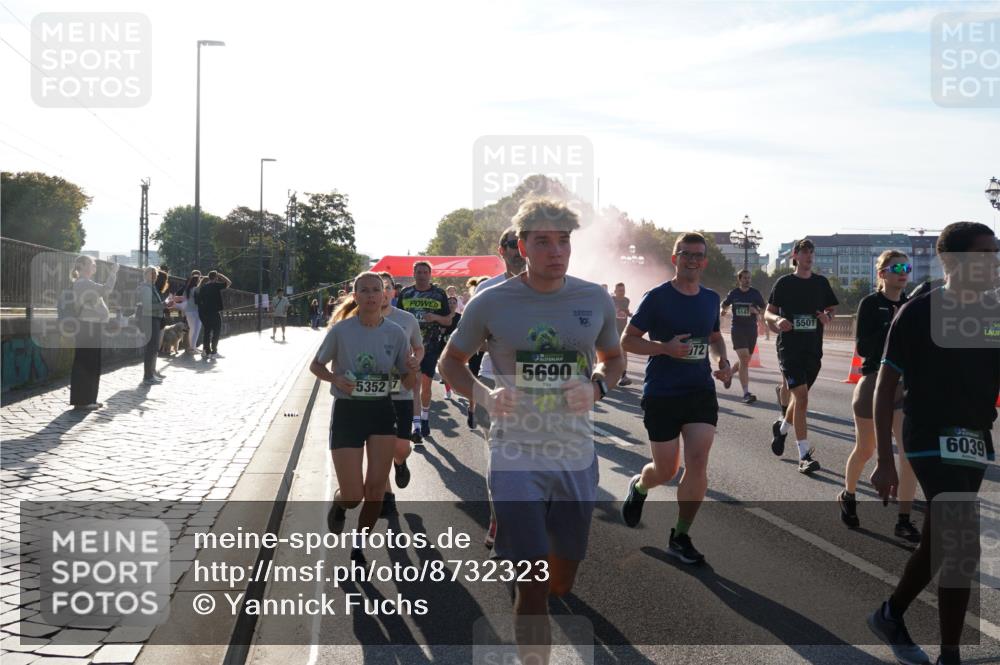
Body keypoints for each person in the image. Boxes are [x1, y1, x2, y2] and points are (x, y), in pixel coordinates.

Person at [439, 198, 625, 665]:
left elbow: (615, 357)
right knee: (533, 580)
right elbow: (450, 364)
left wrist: (599, 386)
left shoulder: (593, 298)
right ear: (522, 247)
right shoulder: (491, 302)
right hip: (514, 454)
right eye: (542, 241)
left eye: (563, 241)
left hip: (575, 455)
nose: (555, 251)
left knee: (561, 580)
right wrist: (485, 396)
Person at [868, 222, 999, 665]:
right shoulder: (919, 313)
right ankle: (950, 655)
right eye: (985, 253)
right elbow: (884, 390)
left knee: (940, 541)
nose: (994, 261)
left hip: (975, 439)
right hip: (927, 437)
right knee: (962, 539)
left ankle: (891, 614)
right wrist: (885, 461)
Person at [619, 232, 733, 564]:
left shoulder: (711, 299)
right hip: (662, 392)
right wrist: (664, 348)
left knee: (698, 462)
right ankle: (641, 485)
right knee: (667, 470)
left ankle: (680, 535)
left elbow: (714, 337)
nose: (693, 260)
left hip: (699, 390)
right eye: (687, 255)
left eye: (699, 256)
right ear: (675, 258)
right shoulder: (656, 298)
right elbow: (628, 340)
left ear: (705, 261)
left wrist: (722, 362)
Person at [309, 272, 416, 563]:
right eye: (364, 290)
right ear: (355, 296)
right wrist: (334, 378)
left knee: (376, 491)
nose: (370, 295)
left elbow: (407, 382)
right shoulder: (341, 331)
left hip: (381, 411)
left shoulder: (395, 332)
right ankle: (340, 504)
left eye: (376, 290)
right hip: (348, 412)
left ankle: (358, 545)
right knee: (354, 494)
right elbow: (316, 366)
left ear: (385, 296)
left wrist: (411, 369)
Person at [838, 251, 921, 541]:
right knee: (866, 450)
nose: (904, 272)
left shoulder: (912, 304)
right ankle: (848, 495)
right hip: (873, 383)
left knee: (908, 455)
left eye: (907, 268)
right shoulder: (871, 304)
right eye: (897, 267)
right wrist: (894, 324)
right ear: (882, 273)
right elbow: (863, 348)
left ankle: (904, 519)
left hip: (903, 387)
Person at [765, 238, 838, 474]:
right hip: (789, 349)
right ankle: (804, 456)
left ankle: (782, 429)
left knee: (798, 400)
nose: (809, 256)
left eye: (811, 253)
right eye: (804, 252)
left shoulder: (821, 283)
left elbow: (831, 310)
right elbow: (768, 313)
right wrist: (778, 320)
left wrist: (827, 317)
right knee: (802, 398)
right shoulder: (784, 283)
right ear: (795, 256)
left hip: (813, 349)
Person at [377, 272, 424, 517]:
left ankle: (400, 462)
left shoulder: (406, 320)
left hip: (401, 393)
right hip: (372, 396)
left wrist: (415, 361)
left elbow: (418, 347)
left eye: (386, 287)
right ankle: (387, 496)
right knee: (377, 447)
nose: (382, 292)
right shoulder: (358, 319)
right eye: (377, 287)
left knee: (401, 447)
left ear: (393, 292)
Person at [397, 261, 453, 443]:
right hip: (410, 347)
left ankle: (425, 417)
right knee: (414, 385)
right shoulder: (406, 293)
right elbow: (397, 320)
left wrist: (435, 317)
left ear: (430, 274)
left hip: (430, 347)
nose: (421, 275)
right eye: (418, 272)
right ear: (413, 274)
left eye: (424, 272)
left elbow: (447, 321)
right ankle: (417, 426)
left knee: (426, 387)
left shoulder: (439, 294)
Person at [69, 255, 119, 410]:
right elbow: (106, 289)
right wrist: (114, 272)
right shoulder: (84, 283)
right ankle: (84, 400)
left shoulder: (85, 283)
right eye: (92, 264)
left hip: (91, 327)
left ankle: (88, 399)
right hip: (88, 327)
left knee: (91, 362)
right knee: (88, 363)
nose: (95, 267)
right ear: (83, 266)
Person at [720, 269, 767, 403]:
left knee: (745, 361)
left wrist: (756, 310)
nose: (747, 280)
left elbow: (764, 309)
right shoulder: (734, 293)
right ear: (739, 280)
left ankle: (728, 374)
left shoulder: (755, 293)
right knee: (744, 358)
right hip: (738, 329)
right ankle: (746, 394)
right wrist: (723, 311)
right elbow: (724, 305)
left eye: (749, 278)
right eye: (744, 278)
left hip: (751, 330)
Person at [136, 267, 167, 384]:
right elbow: (148, 307)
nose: (154, 275)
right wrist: (163, 305)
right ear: (145, 274)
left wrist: (164, 305)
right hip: (150, 319)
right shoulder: (146, 288)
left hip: (155, 319)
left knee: (153, 348)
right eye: (151, 273)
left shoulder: (151, 287)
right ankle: (147, 376)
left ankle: (150, 374)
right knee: (151, 348)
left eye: (155, 274)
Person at [197, 270, 231, 359]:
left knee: (207, 331)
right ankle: (214, 352)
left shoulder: (203, 287)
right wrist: (221, 275)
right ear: (216, 278)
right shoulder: (216, 285)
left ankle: (205, 351)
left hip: (204, 313)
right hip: (214, 312)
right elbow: (229, 282)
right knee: (216, 331)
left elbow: (199, 301)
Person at [612, 282, 633, 386]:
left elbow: (626, 312)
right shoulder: (611, 300)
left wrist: (630, 314)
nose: (622, 293)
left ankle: (623, 376)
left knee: (624, 353)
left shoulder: (626, 300)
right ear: (615, 291)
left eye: (623, 290)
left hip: (623, 330)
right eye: (620, 291)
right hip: (611, 330)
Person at [175, 271, 202, 355]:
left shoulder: (187, 289)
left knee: (192, 330)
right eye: (199, 279)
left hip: (188, 311)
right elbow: (199, 301)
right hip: (195, 311)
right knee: (196, 330)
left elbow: (183, 299)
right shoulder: (196, 289)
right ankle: (193, 348)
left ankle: (192, 347)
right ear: (197, 281)